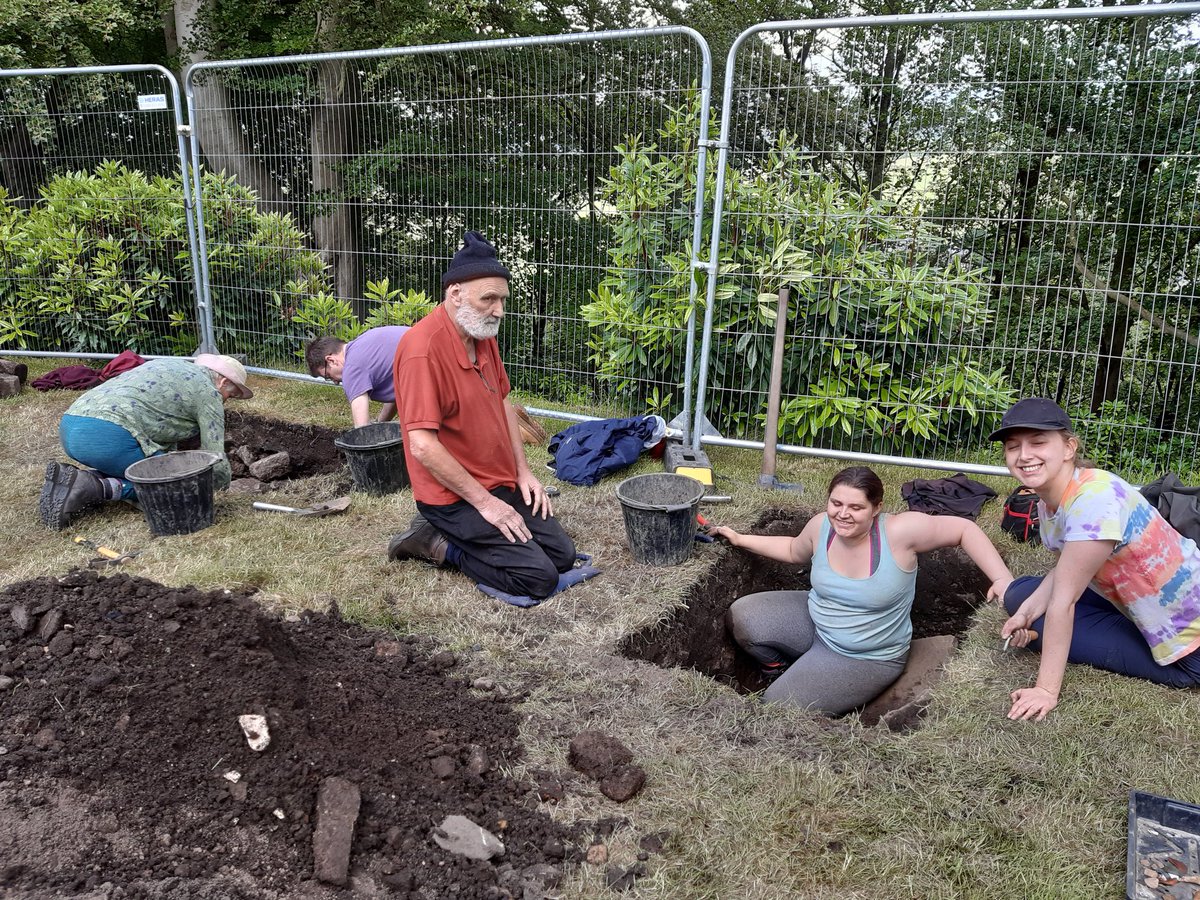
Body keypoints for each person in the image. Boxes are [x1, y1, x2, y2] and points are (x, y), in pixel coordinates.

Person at [708, 466, 1013, 715]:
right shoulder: (820, 527)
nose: (843, 514)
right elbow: (791, 548)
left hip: (866, 657)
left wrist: (1003, 580)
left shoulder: (899, 533)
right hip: (818, 625)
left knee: (776, 707)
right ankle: (783, 670)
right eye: (836, 504)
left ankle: (806, 682)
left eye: (856, 507)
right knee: (744, 615)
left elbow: (964, 530)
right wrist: (739, 538)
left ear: (876, 508)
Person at [388, 231, 577, 599]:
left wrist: (523, 472)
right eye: (489, 298)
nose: (499, 310)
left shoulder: (482, 335)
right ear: (455, 293)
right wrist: (487, 504)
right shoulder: (421, 350)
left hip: (499, 481)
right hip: (453, 497)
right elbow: (422, 446)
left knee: (563, 557)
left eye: (502, 299)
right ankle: (436, 542)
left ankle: (475, 527)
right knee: (538, 579)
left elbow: (503, 402)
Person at [993, 398, 1200, 722]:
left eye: (1037, 442)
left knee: (1049, 621)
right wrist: (1026, 613)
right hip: (1139, 598)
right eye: (1013, 446)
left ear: (1068, 447)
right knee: (1020, 597)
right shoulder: (1052, 499)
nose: (1024, 455)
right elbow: (1066, 568)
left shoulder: (1094, 501)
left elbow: (1064, 602)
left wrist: (1046, 690)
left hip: (1188, 649)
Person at [38, 354, 253, 530]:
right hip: (107, 436)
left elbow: (161, 431)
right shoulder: (208, 392)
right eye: (230, 395)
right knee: (176, 488)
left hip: (71, 426)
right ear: (223, 382)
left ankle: (75, 479)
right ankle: (97, 487)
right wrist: (219, 488)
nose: (226, 401)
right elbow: (214, 455)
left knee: (156, 465)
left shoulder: (166, 364)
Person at [304, 326, 410, 427]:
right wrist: (380, 425)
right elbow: (395, 390)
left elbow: (361, 429)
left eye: (328, 376)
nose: (335, 382)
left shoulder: (351, 370)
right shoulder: (364, 343)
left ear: (331, 361)